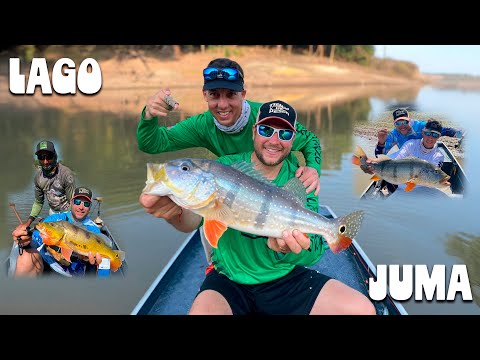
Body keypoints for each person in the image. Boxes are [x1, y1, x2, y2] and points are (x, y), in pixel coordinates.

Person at [142, 100, 375, 315]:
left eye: (284, 133)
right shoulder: (225, 166)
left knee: (362, 310)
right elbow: (192, 222)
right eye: (266, 130)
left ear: (293, 140)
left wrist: (286, 249)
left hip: (283, 278)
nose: (274, 140)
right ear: (254, 131)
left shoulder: (302, 180)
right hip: (228, 279)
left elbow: (313, 252)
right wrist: (171, 215)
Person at [137, 58, 322, 222]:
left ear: (243, 94)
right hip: (228, 196)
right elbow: (153, 143)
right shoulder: (200, 125)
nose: (223, 104)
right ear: (205, 95)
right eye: (215, 95)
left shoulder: (268, 122)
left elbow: (310, 140)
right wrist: (148, 115)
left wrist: (313, 168)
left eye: (231, 95)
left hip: (278, 199)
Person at [12, 186, 104, 277]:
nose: (81, 207)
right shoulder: (55, 220)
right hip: (49, 262)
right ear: (71, 202)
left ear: (90, 207)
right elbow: (35, 240)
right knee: (26, 258)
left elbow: (98, 261)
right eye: (77, 202)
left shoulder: (94, 231)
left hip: (74, 272)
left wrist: (90, 261)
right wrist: (25, 241)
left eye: (86, 204)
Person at [19, 140, 76, 233]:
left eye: (49, 157)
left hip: (68, 213)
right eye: (41, 157)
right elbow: (38, 202)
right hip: (53, 213)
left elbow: (72, 201)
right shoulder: (38, 178)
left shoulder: (66, 174)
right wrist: (28, 222)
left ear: (55, 156)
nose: (45, 162)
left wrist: (68, 220)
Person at [375, 108, 462, 157]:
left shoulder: (421, 126)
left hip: (427, 156)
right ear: (394, 124)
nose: (402, 126)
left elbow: (444, 130)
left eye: (405, 122)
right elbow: (379, 156)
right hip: (407, 160)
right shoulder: (393, 135)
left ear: (410, 120)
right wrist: (381, 142)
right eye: (398, 123)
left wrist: (460, 134)